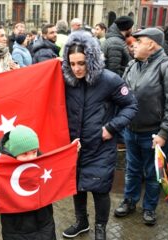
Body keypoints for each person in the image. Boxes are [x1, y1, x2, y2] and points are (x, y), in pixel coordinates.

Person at [60, 31, 137, 240]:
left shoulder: (110, 80)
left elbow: (131, 106)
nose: (76, 69)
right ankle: (81, 221)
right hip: (75, 146)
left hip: (101, 146)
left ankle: (100, 227)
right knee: (77, 186)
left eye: (81, 63)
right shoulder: (66, 79)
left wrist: (111, 128)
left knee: (100, 189)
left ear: (91, 59)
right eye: (72, 63)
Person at [114, 28, 168, 226]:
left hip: (155, 135)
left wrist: (164, 133)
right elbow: (123, 93)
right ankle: (129, 201)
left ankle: (149, 208)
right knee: (132, 170)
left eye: (138, 41)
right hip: (131, 131)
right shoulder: (132, 65)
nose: (133, 45)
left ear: (151, 44)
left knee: (154, 174)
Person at [0, 125, 57, 240]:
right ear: (14, 153)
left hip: (44, 227)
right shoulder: (2, 169)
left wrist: (73, 154)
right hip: (16, 232)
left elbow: (59, 176)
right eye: (25, 154)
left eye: (34, 152)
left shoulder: (41, 163)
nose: (31, 158)